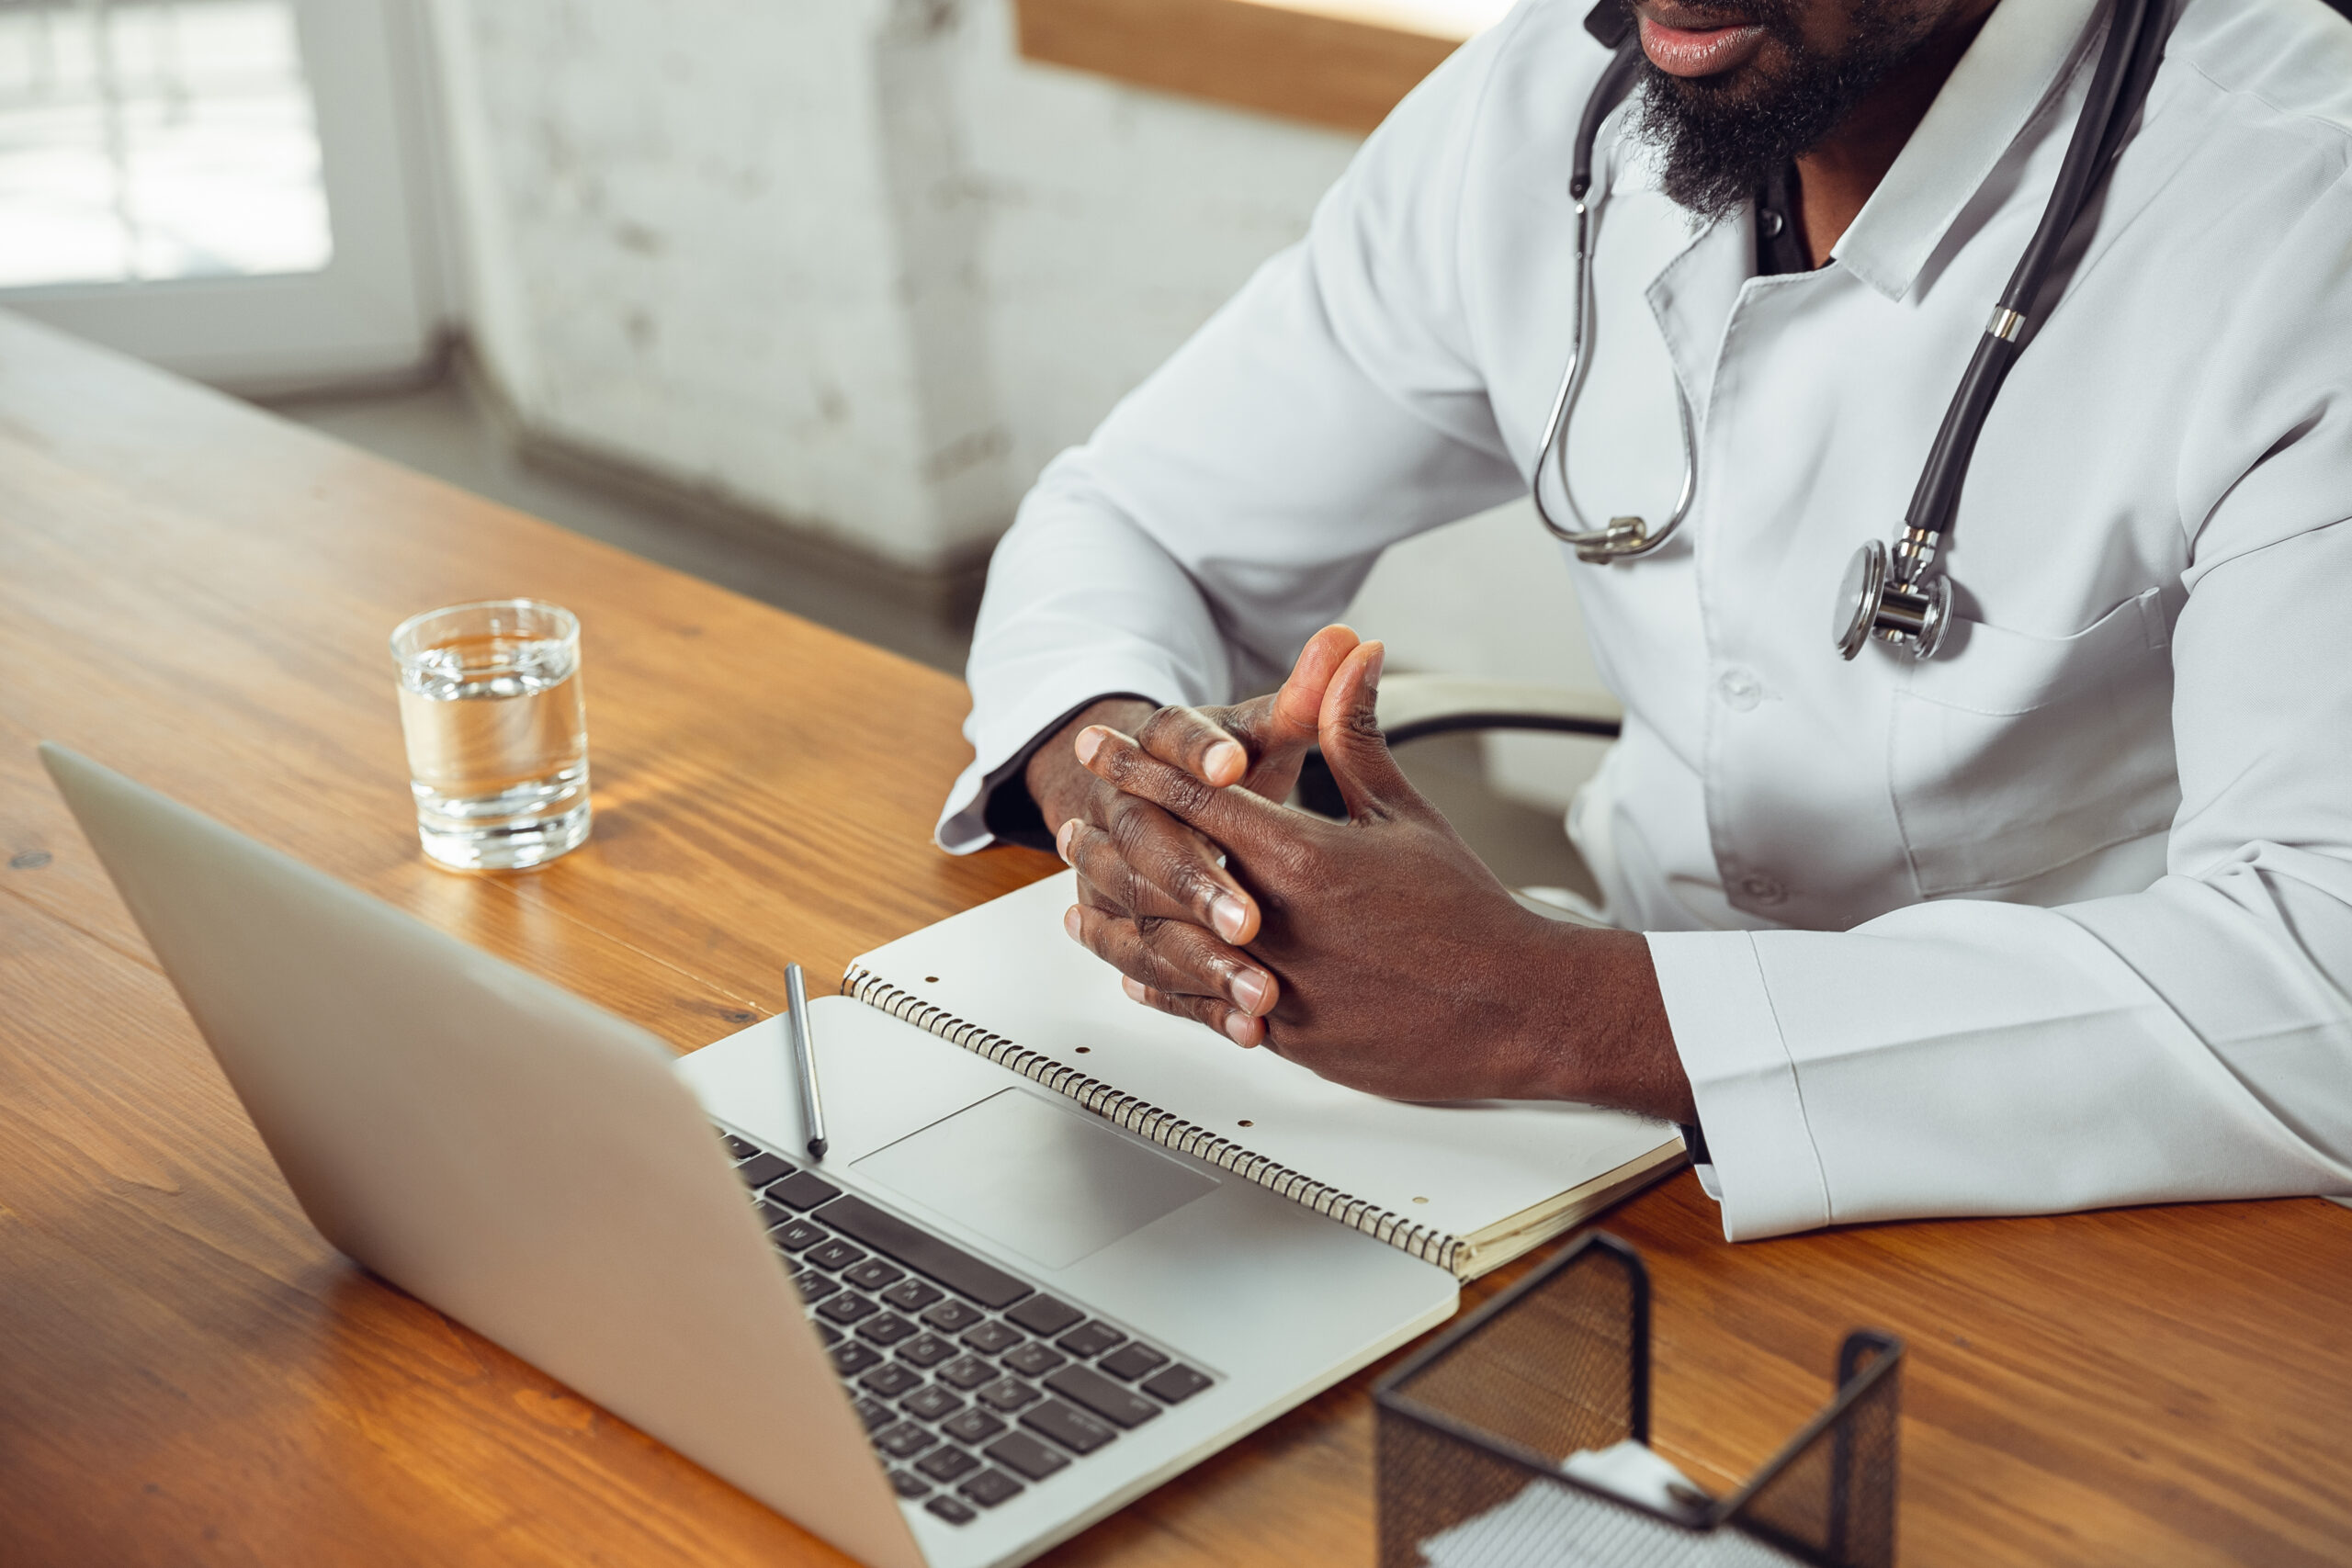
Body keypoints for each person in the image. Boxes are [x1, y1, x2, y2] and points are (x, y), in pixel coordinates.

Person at [937, 0, 2352, 1238]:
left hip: (2116, 1174)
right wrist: (1130, 799)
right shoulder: (1556, 99)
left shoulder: (2297, 202)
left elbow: (2320, 989)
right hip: (1598, 1143)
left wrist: (1551, 1009)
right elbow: (1132, 519)